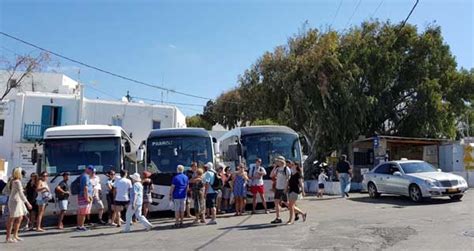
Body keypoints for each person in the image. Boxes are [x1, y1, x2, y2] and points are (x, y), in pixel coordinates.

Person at [5, 167, 32, 243]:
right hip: (15, 201)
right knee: (12, 219)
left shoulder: (13, 180)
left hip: (17, 201)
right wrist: (27, 203)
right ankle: (8, 237)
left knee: (20, 218)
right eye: (21, 172)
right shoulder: (16, 181)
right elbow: (21, 193)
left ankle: (15, 235)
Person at [270, 156, 291, 224]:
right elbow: (271, 175)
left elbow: (288, 179)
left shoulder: (286, 169)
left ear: (281, 161)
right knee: (276, 202)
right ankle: (278, 218)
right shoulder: (278, 169)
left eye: (277, 161)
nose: (276, 162)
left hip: (283, 188)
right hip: (278, 188)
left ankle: (296, 212)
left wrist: (286, 188)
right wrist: (274, 167)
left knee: (286, 203)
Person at [77, 166, 93, 231]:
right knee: (83, 213)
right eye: (90, 169)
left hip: (81, 196)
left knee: (80, 212)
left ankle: (79, 226)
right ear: (87, 169)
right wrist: (87, 198)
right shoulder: (86, 176)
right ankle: (81, 226)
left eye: (91, 170)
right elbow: (85, 188)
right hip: (84, 197)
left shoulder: (82, 175)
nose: (91, 171)